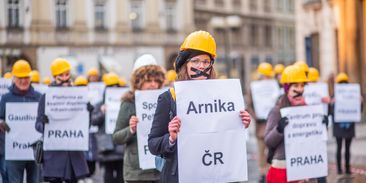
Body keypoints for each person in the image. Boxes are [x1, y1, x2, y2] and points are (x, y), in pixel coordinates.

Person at [147, 30, 251, 183]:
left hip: (215, 174)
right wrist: (171, 138)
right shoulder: (168, 98)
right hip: (180, 176)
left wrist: (240, 122)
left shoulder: (224, 96)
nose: (201, 66)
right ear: (185, 65)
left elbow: (227, 137)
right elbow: (153, 144)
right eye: (195, 61)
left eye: (205, 62)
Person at [35, 58, 89, 183]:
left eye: (67, 74)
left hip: (73, 155)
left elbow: (85, 126)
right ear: (55, 77)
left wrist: (88, 113)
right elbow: (37, 125)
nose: (65, 78)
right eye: (61, 75)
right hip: (55, 155)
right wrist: (44, 123)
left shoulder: (78, 95)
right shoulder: (46, 97)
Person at [113, 54, 163, 183]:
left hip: (160, 170)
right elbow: (116, 137)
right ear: (138, 81)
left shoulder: (165, 100)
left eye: (156, 80)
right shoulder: (128, 103)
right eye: (148, 80)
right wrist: (130, 129)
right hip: (136, 174)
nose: (153, 85)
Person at [0, 60, 42, 183]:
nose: (23, 81)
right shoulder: (6, 98)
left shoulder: (39, 97)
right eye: (20, 78)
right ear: (13, 78)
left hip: (34, 152)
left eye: (26, 77)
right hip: (14, 152)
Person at [265, 65, 308, 183]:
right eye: (296, 86)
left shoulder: (307, 109)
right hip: (282, 168)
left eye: (302, 85)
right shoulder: (277, 110)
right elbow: (268, 141)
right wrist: (279, 129)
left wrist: (321, 124)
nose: (300, 89)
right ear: (287, 88)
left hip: (302, 166)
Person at [91, 72, 124, 183]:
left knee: (120, 173)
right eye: (111, 86)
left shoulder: (124, 102)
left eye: (116, 86)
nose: (113, 89)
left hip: (120, 145)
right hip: (106, 146)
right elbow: (93, 121)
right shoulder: (99, 104)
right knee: (108, 173)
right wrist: (102, 112)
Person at [247, 62, 274, 183]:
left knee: (272, 152)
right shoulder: (254, 87)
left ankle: (270, 173)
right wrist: (256, 116)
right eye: (265, 76)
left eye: (268, 76)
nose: (266, 78)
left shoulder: (274, 86)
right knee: (261, 151)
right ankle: (263, 175)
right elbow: (249, 105)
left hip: (273, 126)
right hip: (261, 127)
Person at [329, 73, 361, 175]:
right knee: (341, 148)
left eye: (345, 83)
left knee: (345, 148)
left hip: (348, 127)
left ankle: (346, 169)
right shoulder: (334, 96)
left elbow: (358, 111)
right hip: (340, 127)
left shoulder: (353, 95)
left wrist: (360, 102)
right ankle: (340, 169)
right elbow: (330, 112)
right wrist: (332, 103)